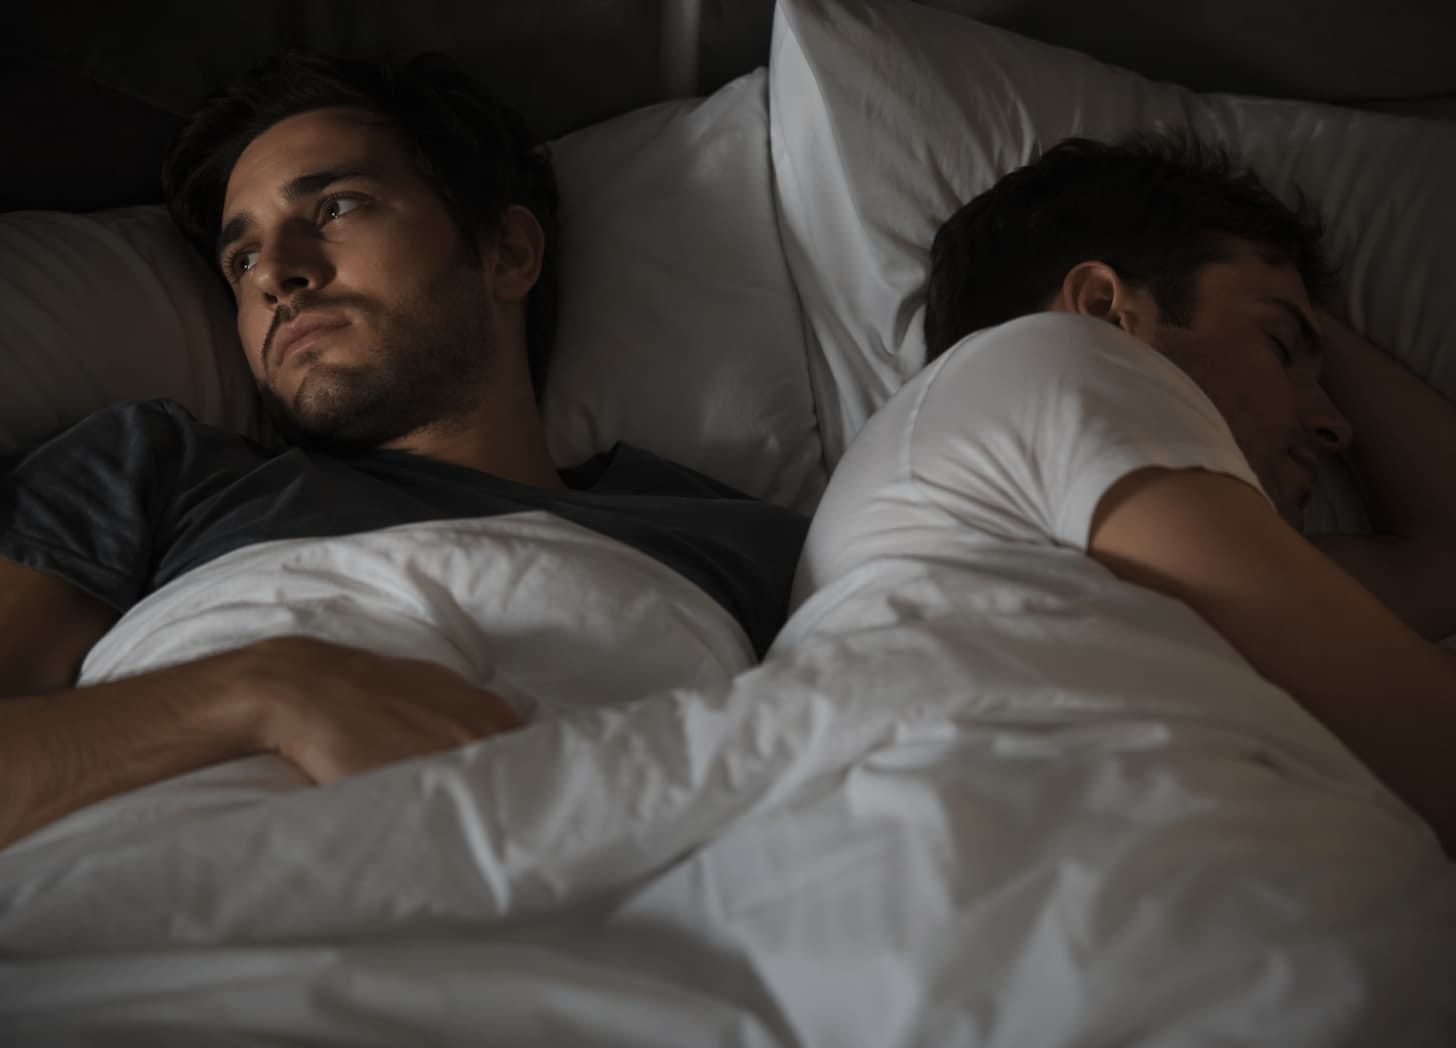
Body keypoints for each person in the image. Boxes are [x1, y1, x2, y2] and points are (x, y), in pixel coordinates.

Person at [0, 54, 808, 849]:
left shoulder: (743, 543)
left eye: (336, 209)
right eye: (241, 260)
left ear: (507, 253)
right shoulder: (151, 471)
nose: (276, 276)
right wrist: (259, 691)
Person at [787, 134, 1456, 854]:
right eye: (1282, 348)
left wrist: (1302, 320)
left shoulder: (1138, 531)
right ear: (1105, 309)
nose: (1335, 425)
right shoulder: (1051, 360)